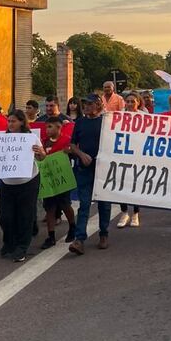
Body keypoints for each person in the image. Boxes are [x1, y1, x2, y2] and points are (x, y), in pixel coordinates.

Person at [0, 110, 44, 263]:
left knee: (25, 215)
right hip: (7, 182)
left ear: (21, 122)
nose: (10, 124)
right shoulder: (2, 139)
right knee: (5, 216)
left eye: (13, 121)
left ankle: (22, 247)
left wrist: (39, 152)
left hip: (28, 182)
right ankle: (9, 242)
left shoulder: (31, 138)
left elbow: (41, 157)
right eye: (9, 121)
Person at [68, 94, 111, 255]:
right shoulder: (80, 122)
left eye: (90, 104)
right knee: (84, 204)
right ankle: (79, 239)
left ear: (98, 106)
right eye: (84, 104)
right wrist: (81, 154)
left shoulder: (106, 122)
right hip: (84, 169)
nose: (86, 106)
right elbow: (72, 144)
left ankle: (104, 233)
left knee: (104, 204)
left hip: (102, 169)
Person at [39, 118, 77, 249]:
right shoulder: (43, 142)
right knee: (49, 208)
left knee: (65, 204)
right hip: (48, 178)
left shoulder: (66, 141)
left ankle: (72, 226)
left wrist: (70, 152)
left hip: (62, 178)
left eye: (50, 127)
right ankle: (51, 235)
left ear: (59, 127)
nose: (47, 130)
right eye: (46, 127)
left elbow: (74, 152)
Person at [116, 92, 143, 229]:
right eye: (128, 101)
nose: (130, 104)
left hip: (137, 155)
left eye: (133, 101)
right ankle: (124, 212)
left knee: (135, 183)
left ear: (138, 102)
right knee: (122, 183)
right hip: (121, 154)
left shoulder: (144, 117)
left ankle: (135, 214)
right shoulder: (118, 116)